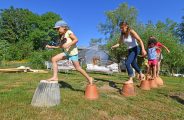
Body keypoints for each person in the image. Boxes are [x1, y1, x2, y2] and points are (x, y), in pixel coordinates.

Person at [46, 20, 93, 84]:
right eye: (56, 29)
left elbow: (76, 39)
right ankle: (55, 77)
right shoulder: (62, 36)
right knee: (53, 59)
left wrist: (68, 45)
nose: (57, 30)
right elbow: (61, 46)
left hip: (73, 54)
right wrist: (51, 47)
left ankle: (89, 78)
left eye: (58, 28)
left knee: (78, 68)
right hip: (66, 53)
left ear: (64, 27)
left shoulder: (68, 32)